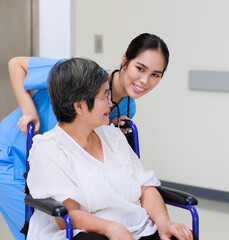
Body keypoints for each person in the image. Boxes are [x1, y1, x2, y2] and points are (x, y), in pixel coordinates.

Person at [0, 33, 170, 240]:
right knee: (34, 227)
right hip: (13, 154)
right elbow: (17, 65)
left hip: (61, 173)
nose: (144, 80)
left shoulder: (127, 107)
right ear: (125, 61)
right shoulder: (77, 76)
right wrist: (29, 111)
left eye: (155, 74)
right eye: (140, 68)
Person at [27, 58, 195, 240]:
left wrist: (164, 224)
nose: (110, 103)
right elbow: (66, 216)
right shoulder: (49, 148)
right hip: (82, 232)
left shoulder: (113, 137)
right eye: (105, 96)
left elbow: (146, 188)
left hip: (136, 229)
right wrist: (111, 228)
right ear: (80, 106)